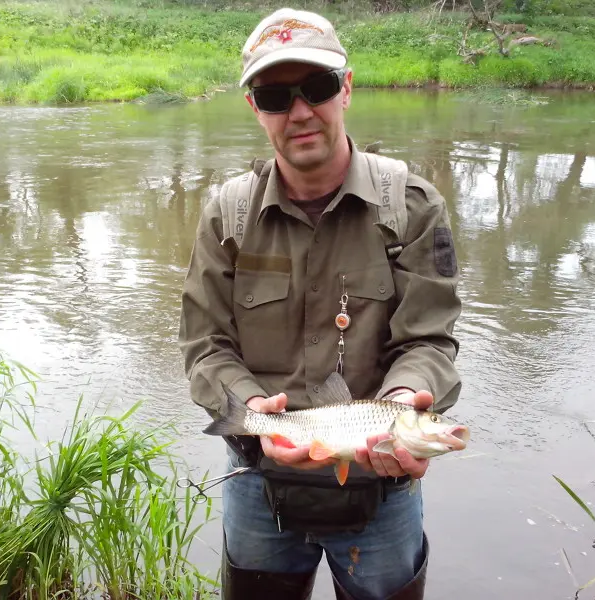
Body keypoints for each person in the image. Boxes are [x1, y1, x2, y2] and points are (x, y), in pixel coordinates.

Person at [178, 7, 462, 600]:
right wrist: (253, 408)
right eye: (277, 96)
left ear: (347, 88)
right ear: (256, 109)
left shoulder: (412, 206)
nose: (301, 111)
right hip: (259, 481)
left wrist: (405, 402)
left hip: (381, 489)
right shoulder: (225, 215)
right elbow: (206, 346)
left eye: (318, 87)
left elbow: (429, 340)